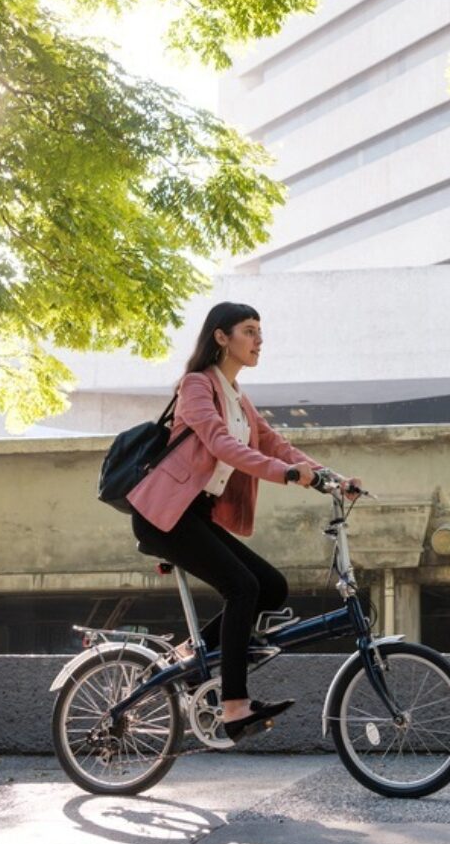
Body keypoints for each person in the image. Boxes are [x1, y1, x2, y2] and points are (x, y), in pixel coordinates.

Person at [127, 302, 360, 742]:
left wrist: (332, 478)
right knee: (242, 587)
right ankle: (234, 704)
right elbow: (217, 443)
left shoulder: (238, 398)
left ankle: (188, 656)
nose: (259, 340)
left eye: (260, 332)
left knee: (270, 587)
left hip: (193, 515)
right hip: (163, 515)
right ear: (221, 337)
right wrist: (285, 475)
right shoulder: (196, 387)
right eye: (249, 331)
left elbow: (277, 444)